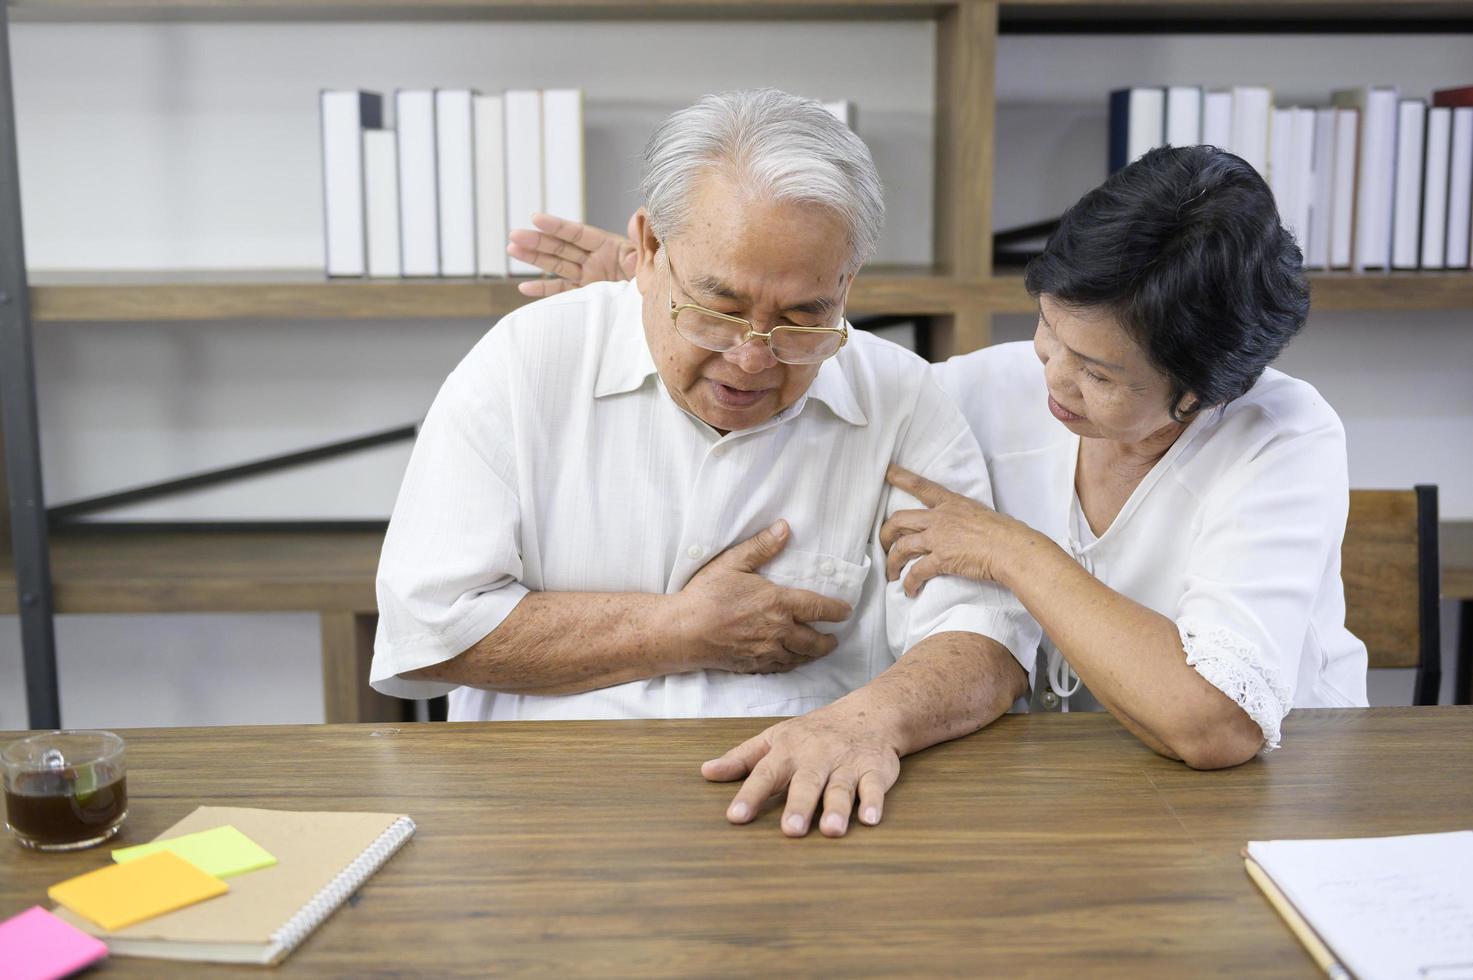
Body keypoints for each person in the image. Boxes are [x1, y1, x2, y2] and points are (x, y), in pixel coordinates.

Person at [508, 144, 1370, 771]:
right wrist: (680, 290)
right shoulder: (988, 388)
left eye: (1099, 372)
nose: (1054, 378)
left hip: (1271, 802)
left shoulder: (1282, 437)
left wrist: (1011, 550)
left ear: (1205, 390)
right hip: (1050, 788)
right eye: (1048, 330)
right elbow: (837, 375)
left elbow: (1211, 726)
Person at [371, 89, 1039, 839]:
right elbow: (429, 628)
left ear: (846, 285)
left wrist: (869, 722)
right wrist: (675, 629)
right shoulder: (526, 362)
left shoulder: (901, 397)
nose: (751, 357)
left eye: (801, 318)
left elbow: (988, 638)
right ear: (649, 251)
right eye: (716, 309)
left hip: (813, 806)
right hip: (542, 812)